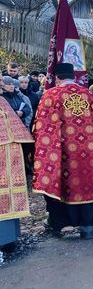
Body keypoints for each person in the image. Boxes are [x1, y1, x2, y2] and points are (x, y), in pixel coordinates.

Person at [32, 63, 93, 240]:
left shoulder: (50, 95)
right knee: (90, 183)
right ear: (74, 76)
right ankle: (88, 227)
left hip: (65, 155)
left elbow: (43, 128)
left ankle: (58, 224)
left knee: (63, 184)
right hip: (92, 154)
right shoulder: (90, 95)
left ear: (57, 78)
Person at [0, 97, 34, 251]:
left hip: (11, 152)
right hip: (9, 151)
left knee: (9, 196)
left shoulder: (2, 100)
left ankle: (9, 238)